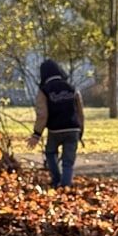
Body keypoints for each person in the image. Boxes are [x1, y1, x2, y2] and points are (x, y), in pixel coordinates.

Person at [30, 58, 84, 188]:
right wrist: (81, 131)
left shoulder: (44, 91)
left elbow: (42, 115)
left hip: (55, 130)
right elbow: (80, 112)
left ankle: (56, 179)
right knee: (68, 160)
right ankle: (66, 184)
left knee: (50, 153)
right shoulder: (72, 89)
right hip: (73, 129)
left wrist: (36, 134)